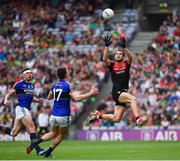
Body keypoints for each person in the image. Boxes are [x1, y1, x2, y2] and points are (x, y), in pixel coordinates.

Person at [26, 66, 99, 157]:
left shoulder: (54, 85)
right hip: (64, 115)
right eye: (67, 72)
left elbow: (49, 98)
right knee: (61, 135)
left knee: (53, 133)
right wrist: (90, 93)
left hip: (54, 114)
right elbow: (76, 99)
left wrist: (58, 96)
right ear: (65, 74)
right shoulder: (68, 85)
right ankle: (48, 152)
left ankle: (36, 142)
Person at [89, 35, 148, 127]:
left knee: (116, 119)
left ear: (123, 57)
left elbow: (131, 58)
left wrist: (125, 48)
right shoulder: (112, 65)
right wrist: (106, 46)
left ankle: (99, 115)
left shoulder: (126, 63)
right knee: (133, 99)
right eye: (117, 54)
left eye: (120, 54)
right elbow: (104, 59)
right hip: (117, 92)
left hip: (123, 93)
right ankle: (138, 119)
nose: (118, 55)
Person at [0, 68, 44, 155]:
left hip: (24, 109)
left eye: (30, 73)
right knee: (32, 128)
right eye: (27, 73)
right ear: (23, 75)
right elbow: (9, 93)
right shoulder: (19, 84)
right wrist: (5, 100)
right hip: (21, 108)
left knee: (14, 133)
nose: (29, 75)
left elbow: (31, 98)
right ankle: (38, 150)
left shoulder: (31, 85)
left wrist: (38, 100)